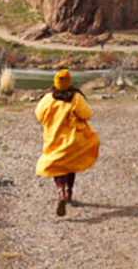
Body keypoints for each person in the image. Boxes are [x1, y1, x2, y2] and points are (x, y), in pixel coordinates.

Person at [35, 69, 100, 216]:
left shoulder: (48, 98)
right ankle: (69, 192)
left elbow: (39, 114)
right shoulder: (76, 97)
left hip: (54, 138)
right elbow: (87, 114)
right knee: (71, 164)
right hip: (73, 139)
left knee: (57, 166)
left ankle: (61, 192)